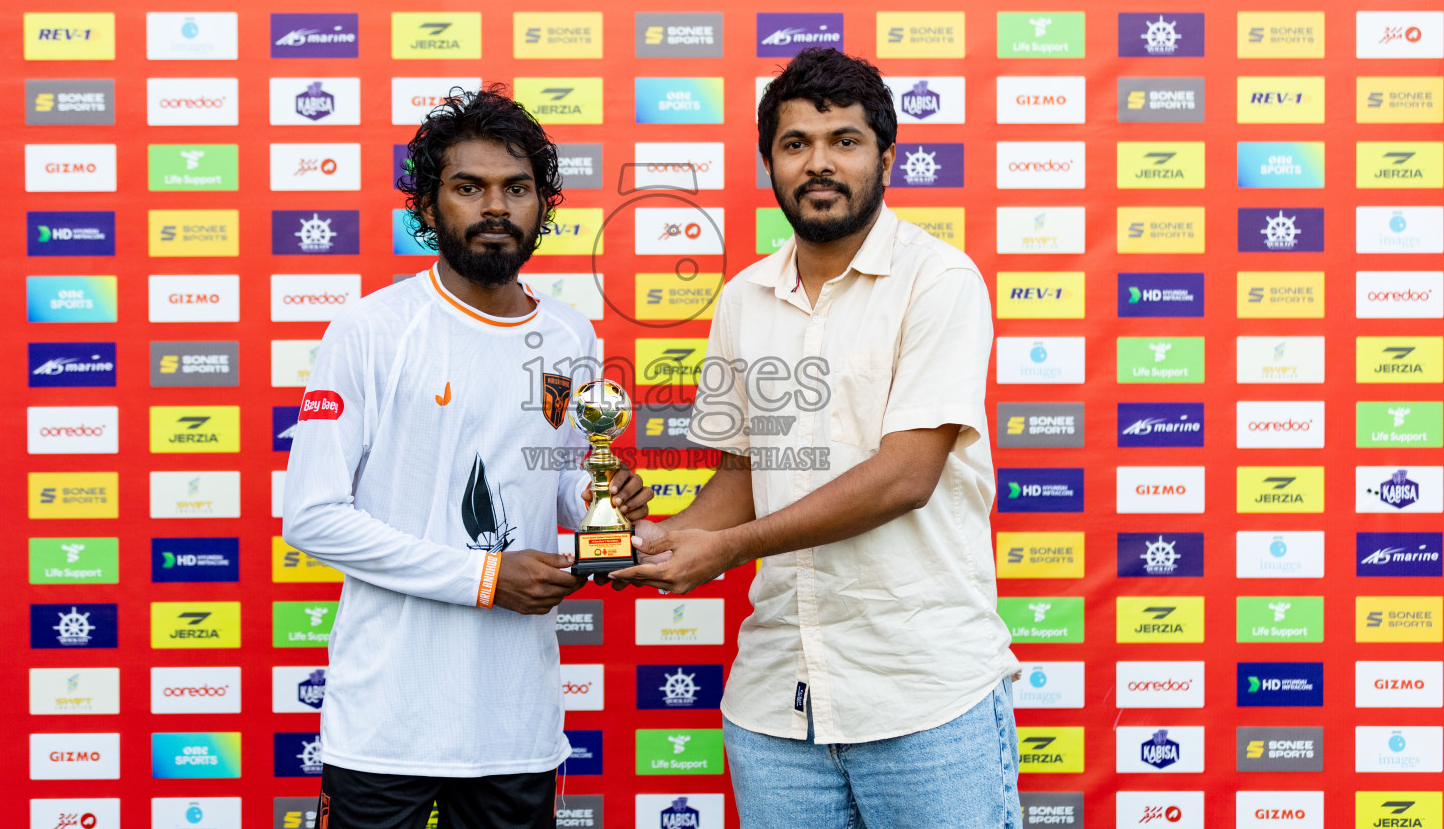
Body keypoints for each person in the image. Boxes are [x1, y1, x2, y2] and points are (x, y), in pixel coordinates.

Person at [614, 48, 1020, 828]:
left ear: (886, 158)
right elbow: (742, 476)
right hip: (776, 707)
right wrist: (663, 539)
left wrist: (728, 550)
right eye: (796, 144)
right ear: (769, 161)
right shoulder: (743, 299)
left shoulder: (938, 281)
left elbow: (906, 475)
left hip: (923, 698)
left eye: (844, 140)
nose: (819, 163)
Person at [283, 85, 651, 829]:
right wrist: (485, 577)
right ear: (426, 208)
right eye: (468, 187)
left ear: (543, 206)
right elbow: (313, 519)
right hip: (386, 725)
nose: (495, 207)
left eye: (516, 189)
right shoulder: (371, 330)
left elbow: (557, 478)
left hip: (514, 726)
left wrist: (598, 500)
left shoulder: (572, 337)